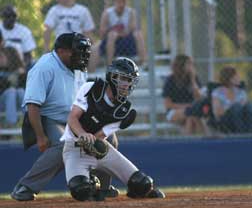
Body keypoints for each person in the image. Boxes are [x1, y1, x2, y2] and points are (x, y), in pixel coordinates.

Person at [11, 33, 119, 201]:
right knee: (66, 143)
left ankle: (103, 188)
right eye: (77, 51)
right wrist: (40, 136)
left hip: (73, 117)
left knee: (109, 137)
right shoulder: (44, 67)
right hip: (46, 118)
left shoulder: (77, 68)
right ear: (61, 51)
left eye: (84, 52)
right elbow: (33, 105)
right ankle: (26, 186)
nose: (82, 56)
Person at [61, 57, 165, 201]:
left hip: (99, 149)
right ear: (113, 76)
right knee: (81, 190)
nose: (126, 84)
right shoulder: (91, 88)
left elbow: (100, 136)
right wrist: (83, 134)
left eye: (129, 80)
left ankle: (136, 189)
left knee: (143, 184)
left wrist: (93, 142)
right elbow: (72, 118)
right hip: (74, 148)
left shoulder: (124, 111)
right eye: (123, 78)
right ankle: (90, 183)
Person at [88, 0, 146, 72]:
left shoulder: (131, 12)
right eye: (119, 2)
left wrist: (121, 32)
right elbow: (102, 33)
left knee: (138, 34)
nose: (121, 4)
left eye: (123, 1)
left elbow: (133, 28)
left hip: (127, 42)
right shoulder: (107, 13)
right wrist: (112, 31)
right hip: (111, 43)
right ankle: (110, 65)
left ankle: (144, 64)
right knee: (112, 35)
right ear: (114, 2)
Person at [162, 54, 205, 135]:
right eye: (189, 64)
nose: (192, 67)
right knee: (192, 113)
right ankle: (205, 138)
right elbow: (168, 105)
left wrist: (193, 80)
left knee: (191, 117)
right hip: (174, 112)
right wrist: (187, 106)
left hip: (192, 111)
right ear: (181, 65)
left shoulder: (194, 79)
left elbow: (199, 98)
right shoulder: (170, 80)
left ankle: (189, 142)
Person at [211, 66, 252, 133]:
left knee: (249, 106)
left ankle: (251, 134)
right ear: (230, 79)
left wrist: (241, 105)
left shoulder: (241, 92)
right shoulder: (217, 92)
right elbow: (217, 113)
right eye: (236, 76)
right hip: (226, 120)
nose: (239, 78)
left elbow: (247, 109)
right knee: (236, 107)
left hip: (242, 119)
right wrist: (233, 107)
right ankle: (241, 134)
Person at [0, 30, 25, 128]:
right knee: (11, 91)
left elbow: (22, 71)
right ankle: (12, 126)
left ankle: (32, 122)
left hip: (15, 96)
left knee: (20, 91)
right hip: (2, 99)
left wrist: (16, 74)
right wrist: (8, 78)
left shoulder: (11, 51)